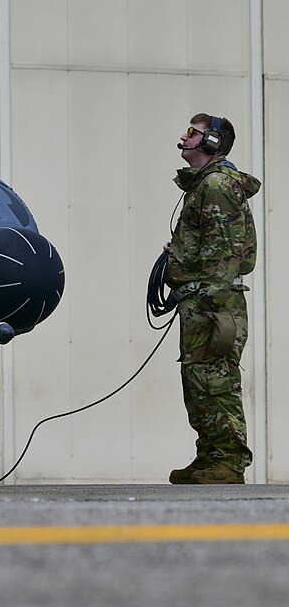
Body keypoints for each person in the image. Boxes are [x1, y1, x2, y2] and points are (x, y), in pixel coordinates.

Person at [165, 113, 260, 485]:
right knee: (198, 379)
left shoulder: (217, 183)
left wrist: (212, 302)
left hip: (213, 301)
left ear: (212, 142)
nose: (185, 137)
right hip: (202, 298)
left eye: (193, 132)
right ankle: (210, 456)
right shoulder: (203, 185)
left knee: (215, 379)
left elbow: (226, 249)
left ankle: (229, 460)